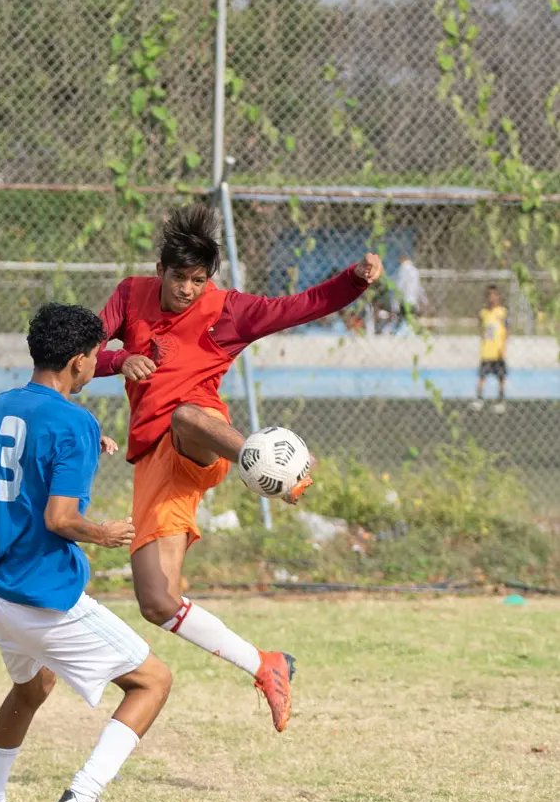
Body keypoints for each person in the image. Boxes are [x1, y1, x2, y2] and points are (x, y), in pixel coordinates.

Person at [96, 203, 383, 732]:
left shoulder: (226, 310)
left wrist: (354, 281)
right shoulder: (129, 294)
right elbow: (79, 351)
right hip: (152, 460)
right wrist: (117, 360)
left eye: (198, 280)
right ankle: (265, 664)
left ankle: (269, 464)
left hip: (201, 436)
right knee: (157, 602)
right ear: (159, 271)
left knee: (185, 414)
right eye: (179, 278)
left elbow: (300, 306)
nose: (187, 289)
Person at [0, 303, 171, 802]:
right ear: (79, 362)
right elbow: (59, 518)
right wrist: (101, 532)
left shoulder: (2, 406)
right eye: (96, 358)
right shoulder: (75, 421)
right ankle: (83, 797)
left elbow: (12, 468)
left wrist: (81, 447)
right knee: (152, 681)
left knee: (33, 688)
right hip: (43, 595)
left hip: (0, 590)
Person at [472, 283, 508, 415]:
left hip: (498, 351)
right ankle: (479, 399)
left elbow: (507, 329)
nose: (491, 298)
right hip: (487, 351)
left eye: (494, 295)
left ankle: (501, 400)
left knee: (501, 376)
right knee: (482, 376)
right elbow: (481, 328)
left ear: (498, 297)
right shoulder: (484, 313)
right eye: (489, 296)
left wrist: (503, 346)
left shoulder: (502, 312)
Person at [393, 251, 424, 332]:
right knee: (410, 316)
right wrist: (423, 299)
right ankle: (409, 331)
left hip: (404, 299)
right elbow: (419, 287)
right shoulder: (415, 270)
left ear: (401, 260)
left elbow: (400, 286)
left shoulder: (403, 270)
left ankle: (401, 333)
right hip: (413, 299)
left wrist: (396, 301)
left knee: (404, 317)